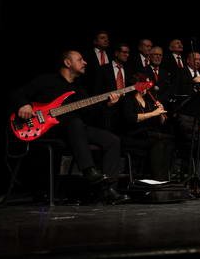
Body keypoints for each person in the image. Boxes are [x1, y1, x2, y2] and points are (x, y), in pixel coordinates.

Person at [11, 50, 129, 204]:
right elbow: (17, 93)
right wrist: (24, 104)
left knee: (112, 140)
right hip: (48, 130)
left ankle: (108, 191)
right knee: (75, 123)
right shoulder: (46, 80)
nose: (85, 62)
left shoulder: (79, 90)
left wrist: (108, 105)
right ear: (67, 63)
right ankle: (89, 171)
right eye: (80, 59)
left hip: (75, 132)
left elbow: (92, 115)